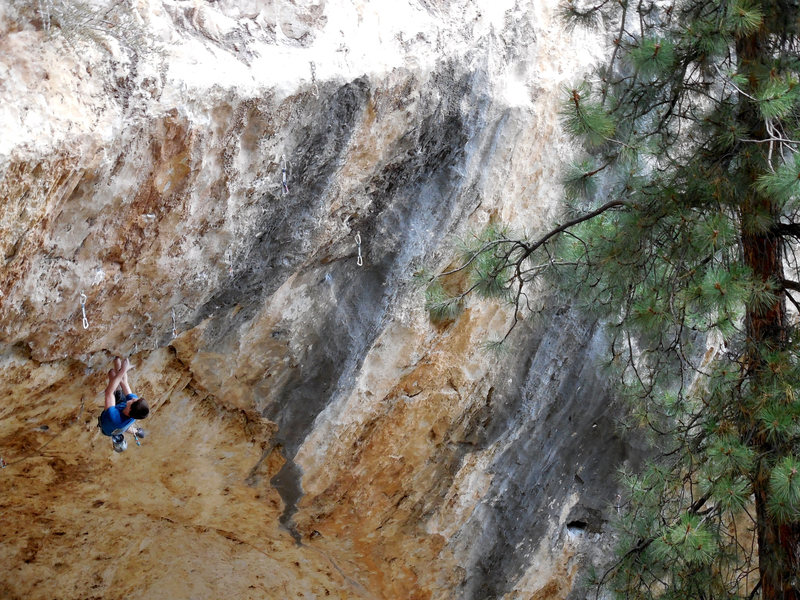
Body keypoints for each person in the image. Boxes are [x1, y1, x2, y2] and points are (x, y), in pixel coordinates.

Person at [98, 357, 149, 452]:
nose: (134, 398)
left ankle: (135, 431)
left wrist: (123, 370)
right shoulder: (134, 412)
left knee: (112, 374)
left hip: (107, 423)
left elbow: (108, 392)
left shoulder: (113, 416)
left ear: (130, 408)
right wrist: (123, 367)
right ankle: (136, 432)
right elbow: (124, 382)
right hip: (121, 418)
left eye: (134, 401)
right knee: (115, 374)